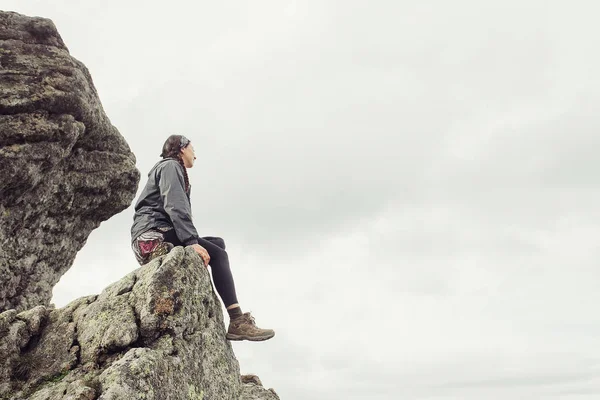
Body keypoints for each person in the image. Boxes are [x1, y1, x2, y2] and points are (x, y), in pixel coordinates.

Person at [130, 134, 274, 342]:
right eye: (192, 148)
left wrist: (194, 242)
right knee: (219, 255)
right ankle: (237, 320)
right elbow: (175, 206)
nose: (195, 154)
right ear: (182, 149)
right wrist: (191, 242)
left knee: (216, 244)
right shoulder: (170, 166)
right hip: (153, 235)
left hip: (155, 231)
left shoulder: (171, 168)